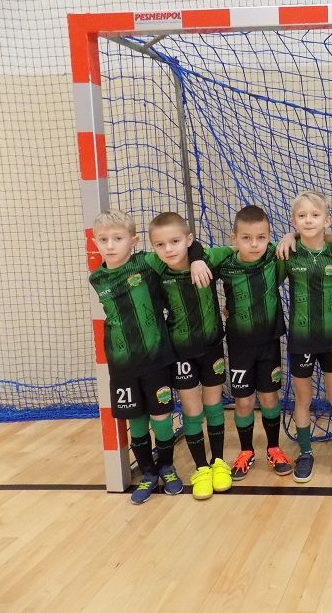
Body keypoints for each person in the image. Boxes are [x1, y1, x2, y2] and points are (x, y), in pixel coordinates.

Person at [89, 209, 207, 504]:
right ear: (95, 242)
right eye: (103, 239)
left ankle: (167, 467)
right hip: (122, 364)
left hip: (157, 358)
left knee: (161, 416)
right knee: (137, 420)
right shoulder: (97, 278)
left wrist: (197, 259)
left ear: (134, 241)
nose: (110, 245)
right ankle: (148, 473)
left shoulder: (148, 263)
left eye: (118, 238)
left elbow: (184, 246)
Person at [148, 212, 232, 500]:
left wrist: (197, 257)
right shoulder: (155, 267)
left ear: (188, 239)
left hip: (211, 348)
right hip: (181, 354)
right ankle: (201, 468)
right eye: (160, 245)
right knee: (192, 411)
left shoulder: (208, 259)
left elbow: (238, 249)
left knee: (214, 405)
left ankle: (218, 462)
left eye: (175, 241)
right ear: (153, 247)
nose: (168, 249)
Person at [276, 191, 332, 484]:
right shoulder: (288, 253)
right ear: (294, 221)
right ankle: (306, 453)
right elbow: (266, 282)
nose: (309, 220)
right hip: (301, 340)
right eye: (302, 216)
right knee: (303, 398)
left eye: (315, 215)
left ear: (327, 220)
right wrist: (289, 237)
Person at [213, 205, 290, 481]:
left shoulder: (274, 257)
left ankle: (274, 448)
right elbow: (194, 256)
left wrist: (291, 235)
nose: (254, 244)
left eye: (261, 237)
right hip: (239, 345)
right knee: (243, 401)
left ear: (269, 237)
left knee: (269, 397)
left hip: (269, 343)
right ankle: (246, 451)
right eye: (246, 238)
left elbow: (311, 239)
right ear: (234, 238)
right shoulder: (225, 264)